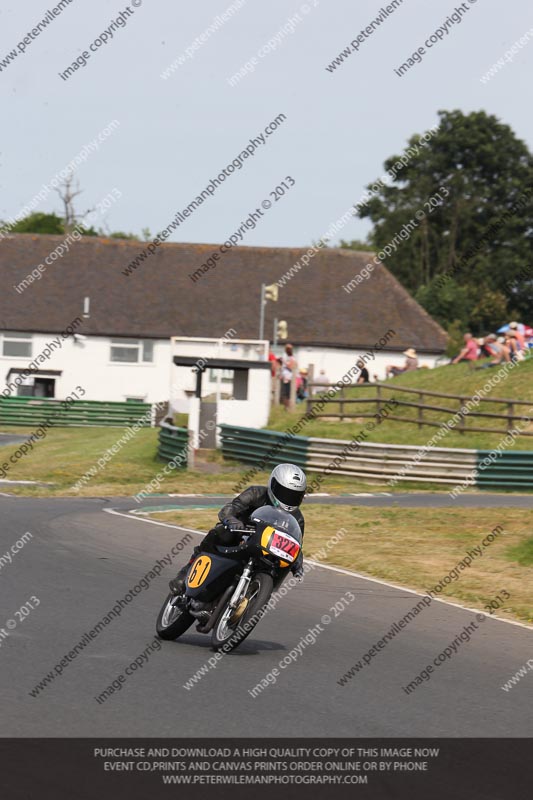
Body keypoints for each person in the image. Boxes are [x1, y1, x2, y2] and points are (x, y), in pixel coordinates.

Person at [169, 463, 307, 594]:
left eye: (294, 496)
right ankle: (186, 572)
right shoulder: (255, 493)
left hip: (266, 551)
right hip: (240, 535)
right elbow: (229, 509)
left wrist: (298, 564)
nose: (288, 500)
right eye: (285, 493)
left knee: (281, 566)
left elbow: (296, 545)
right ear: (273, 485)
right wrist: (232, 521)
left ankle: (255, 597)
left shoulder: (297, 518)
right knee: (219, 532)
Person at [280, 344, 297, 409]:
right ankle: (286, 406)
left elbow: (291, 367)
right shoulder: (285, 356)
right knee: (284, 393)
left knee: (288, 393)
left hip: (289, 377)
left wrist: (285, 362)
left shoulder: (292, 358)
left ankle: (289, 406)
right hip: (284, 377)